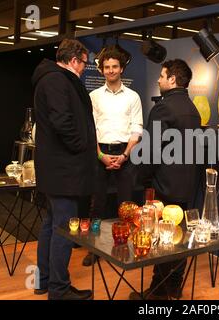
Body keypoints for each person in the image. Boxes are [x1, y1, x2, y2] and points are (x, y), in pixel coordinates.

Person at [130, 59, 201, 300]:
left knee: (161, 239)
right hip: (188, 185)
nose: (158, 80)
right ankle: (173, 286)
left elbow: (150, 151)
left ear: (172, 79)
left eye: (162, 76)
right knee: (178, 238)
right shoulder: (193, 109)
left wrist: (142, 180)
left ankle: (158, 292)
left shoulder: (163, 108)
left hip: (165, 185)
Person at [32, 39, 97, 300]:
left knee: (51, 225)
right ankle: (58, 290)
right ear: (73, 61)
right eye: (83, 63)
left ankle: (44, 281)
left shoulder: (51, 79)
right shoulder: (57, 81)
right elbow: (63, 122)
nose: (84, 68)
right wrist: (83, 146)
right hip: (64, 171)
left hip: (57, 170)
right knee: (63, 229)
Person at [81, 47, 143, 266]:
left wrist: (125, 155)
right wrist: (99, 154)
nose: (110, 70)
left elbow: (137, 128)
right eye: (106, 67)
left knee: (125, 206)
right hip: (100, 154)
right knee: (96, 205)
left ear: (122, 68)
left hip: (125, 154)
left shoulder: (133, 97)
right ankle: (93, 249)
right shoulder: (93, 96)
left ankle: (122, 247)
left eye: (114, 66)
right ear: (101, 70)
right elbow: (91, 129)